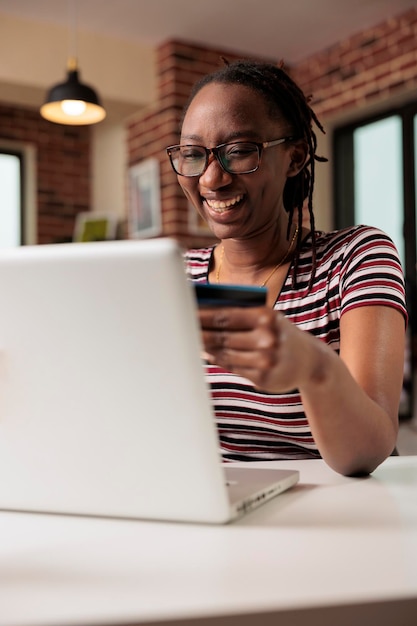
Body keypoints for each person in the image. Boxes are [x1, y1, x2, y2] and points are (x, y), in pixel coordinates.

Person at [166, 59, 407, 476]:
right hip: (216, 509)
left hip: (338, 517)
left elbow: (368, 451)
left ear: (295, 157)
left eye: (239, 151)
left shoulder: (353, 258)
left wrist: (314, 367)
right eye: (193, 154)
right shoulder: (174, 279)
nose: (210, 179)